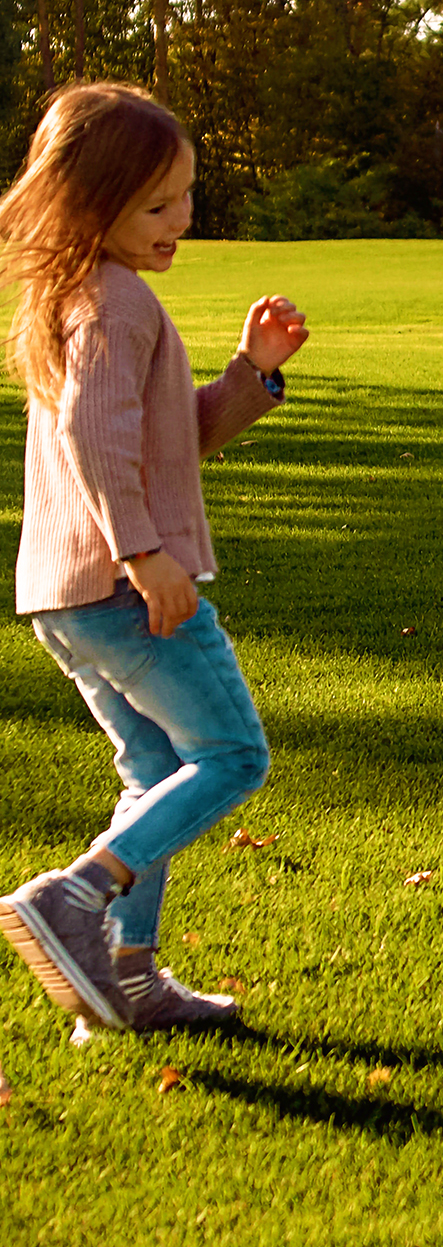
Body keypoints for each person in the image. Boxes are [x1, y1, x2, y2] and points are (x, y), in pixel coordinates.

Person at [0, 84, 306, 1035]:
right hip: (122, 587)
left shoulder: (79, 298)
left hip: (65, 598)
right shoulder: (118, 303)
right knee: (231, 755)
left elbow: (167, 441)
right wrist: (146, 554)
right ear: (96, 205)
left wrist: (251, 377)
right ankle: (73, 900)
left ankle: (125, 977)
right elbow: (99, 445)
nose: (182, 219)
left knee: (158, 769)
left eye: (185, 196)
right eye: (158, 203)